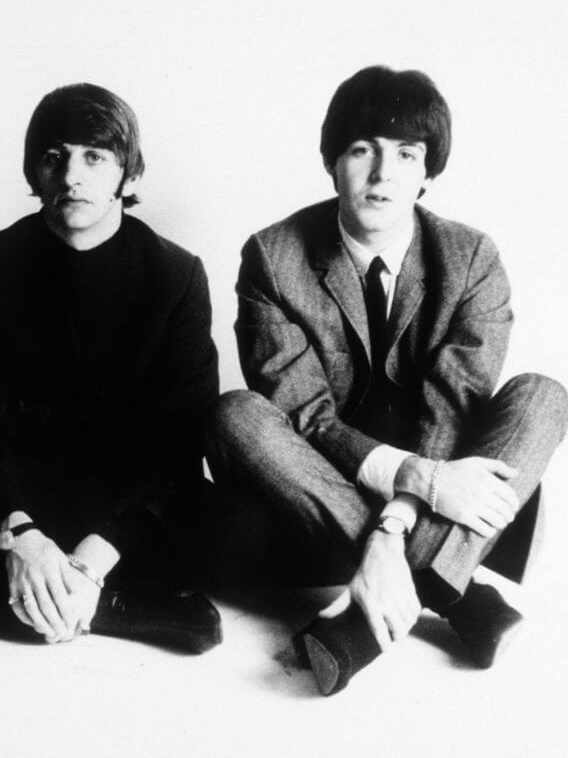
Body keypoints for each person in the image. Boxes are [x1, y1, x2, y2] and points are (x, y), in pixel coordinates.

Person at [208, 65, 568, 695]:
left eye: (407, 154)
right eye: (361, 150)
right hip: (320, 484)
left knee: (544, 395)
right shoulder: (272, 256)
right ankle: (458, 595)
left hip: (436, 473)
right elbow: (307, 417)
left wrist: (395, 526)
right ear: (331, 162)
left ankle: (364, 629)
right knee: (235, 413)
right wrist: (411, 492)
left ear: (428, 173)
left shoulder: (471, 257)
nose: (382, 174)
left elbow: (450, 409)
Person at [0, 83, 262, 652]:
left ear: (130, 175)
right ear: (34, 173)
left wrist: (97, 555)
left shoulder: (176, 275)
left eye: (95, 158)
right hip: (17, 497)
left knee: (241, 524)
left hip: (120, 506)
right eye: (55, 157)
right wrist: (19, 532)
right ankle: (113, 612)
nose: (72, 176)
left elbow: (176, 437)